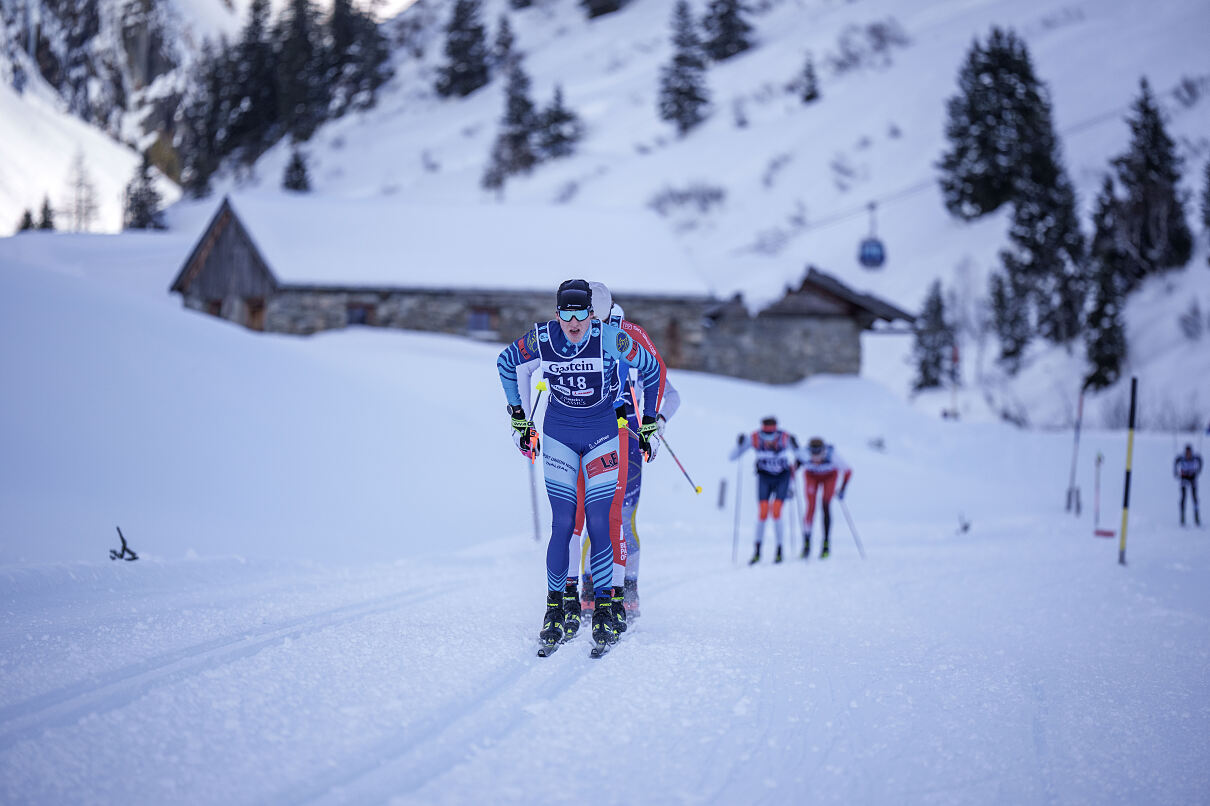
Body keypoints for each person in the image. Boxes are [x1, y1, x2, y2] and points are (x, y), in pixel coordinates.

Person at [497, 279, 663, 655]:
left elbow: (651, 369)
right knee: (563, 522)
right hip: (558, 435)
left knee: (601, 520)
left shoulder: (609, 339)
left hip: (603, 435)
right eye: (566, 314)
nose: (574, 323)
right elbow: (507, 363)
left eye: (581, 314)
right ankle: (558, 606)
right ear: (557, 314)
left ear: (592, 313)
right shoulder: (543, 339)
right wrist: (519, 418)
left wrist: (651, 421)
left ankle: (606, 606)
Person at [567, 282, 680, 628]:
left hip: (626, 443)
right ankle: (588, 588)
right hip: (587, 438)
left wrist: (655, 422)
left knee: (622, 519)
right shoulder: (573, 334)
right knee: (586, 518)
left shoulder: (630, 338)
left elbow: (670, 394)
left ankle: (626, 590)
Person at [730, 416, 799, 564]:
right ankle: (757, 551)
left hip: (782, 478)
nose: (768, 440)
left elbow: (802, 456)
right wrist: (739, 444)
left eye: (771, 435)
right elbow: (733, 457)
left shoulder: (785, 438)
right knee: (762, 513)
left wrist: (796, 445)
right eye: (766, 435)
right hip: (764, 478)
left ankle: (779, 550)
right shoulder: (755, 438)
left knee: (776, 511)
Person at [797, 436, 852, 559]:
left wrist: (842, 488)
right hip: (811, 477)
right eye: (813, 453)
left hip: (829, 477)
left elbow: (848, 470)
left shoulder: (832, 456)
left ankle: (826, 543)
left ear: (823, 451)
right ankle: (806, 543)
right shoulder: (804, 454)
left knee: (825, 505)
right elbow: (793, 467)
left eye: (818, 453)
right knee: (810, 507)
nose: (816, 458)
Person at [1174, 443, 1203, 526]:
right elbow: (1175, 462)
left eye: (1189, 452)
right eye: (1187, 453)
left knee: (1195, 498)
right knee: (1183, 497)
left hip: (1192, 478)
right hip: (1184, 478)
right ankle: (1182, 517)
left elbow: (1200, 460)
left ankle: (1196, 517)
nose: (1188, 454)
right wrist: (1176, 472)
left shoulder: (1195, 457)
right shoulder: (1182, 458)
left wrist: (1199, 470)